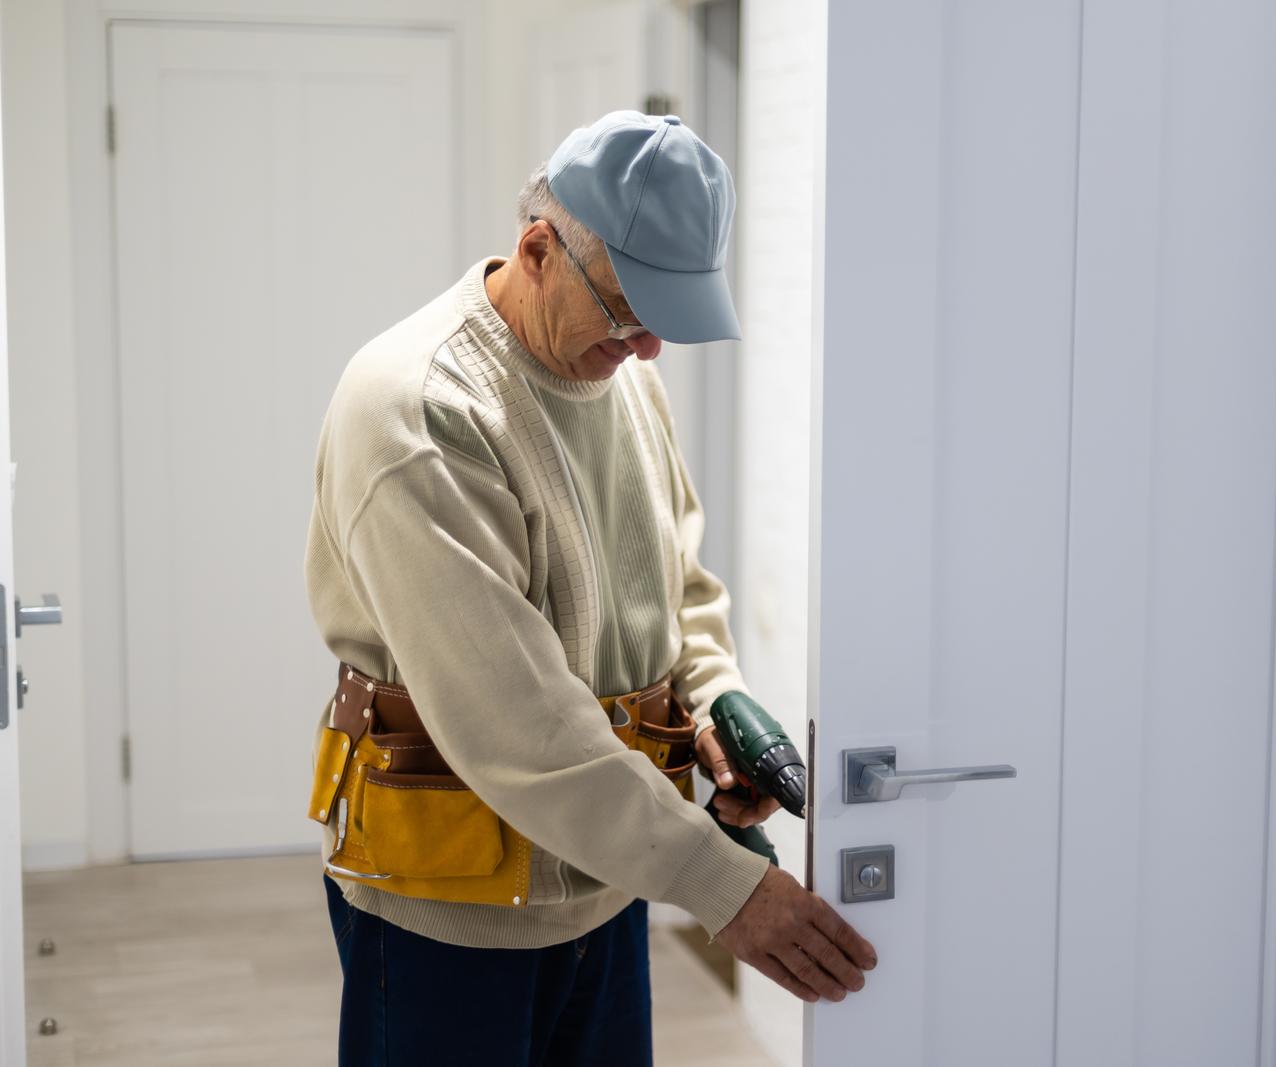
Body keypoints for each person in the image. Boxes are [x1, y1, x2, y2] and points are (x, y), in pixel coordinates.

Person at [302, 110, 875, 1065]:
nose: (647, 350)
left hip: (604, 877)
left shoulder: (619, 373)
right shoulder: (419, 409)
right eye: (629, 311)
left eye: (667, 324)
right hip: (449, 904)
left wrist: (716, 698)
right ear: (538, 249)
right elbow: (512, 717)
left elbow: (676, 578)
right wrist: (722, 884)